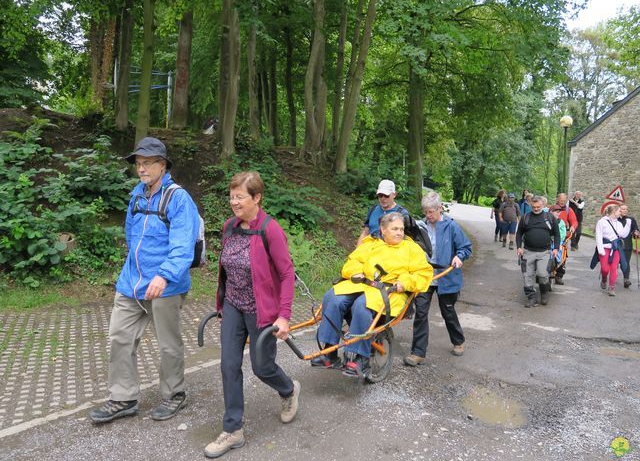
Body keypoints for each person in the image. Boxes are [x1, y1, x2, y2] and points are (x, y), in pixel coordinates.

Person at [89, 137, 200, 424]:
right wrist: (134, 271)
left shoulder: (178, 198)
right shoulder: (137, 195)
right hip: (132, 283)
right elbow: (130, 236)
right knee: (119, 337)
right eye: (138, 163)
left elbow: (182, 247)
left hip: (166, 285)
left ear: (162, 165)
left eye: (148, 163)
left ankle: (175, 394)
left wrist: (163, 275)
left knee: (168, 345)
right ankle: (123, 397)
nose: (142, 168)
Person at [204, 172, 300, 459]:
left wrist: (283, 315)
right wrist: (222, 304)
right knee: (228, 366)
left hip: (262, 311)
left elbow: (286, 273)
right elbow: (227, 269)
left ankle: (289, 390)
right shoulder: (229, 227)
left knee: (262, 367)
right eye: (232, 196)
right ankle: (233, 430)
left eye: (240, 197)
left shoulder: (270, 230)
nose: (234, 202)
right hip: (233, 306)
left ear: (257, 198)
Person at [313, 212, 432, 377]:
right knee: (332, 297)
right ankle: (328, 352)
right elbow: (353, 261)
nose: (399, 233)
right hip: (363, 284)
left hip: (390, 291)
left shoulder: (411, 248)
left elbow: (423, 273)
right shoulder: (371, 243)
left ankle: (361, 359)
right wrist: (356, 271)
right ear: (383, 230)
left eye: (401, 229)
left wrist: (404, 282)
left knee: (362, 306)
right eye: (395, 229)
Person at [404, 191, 472, 366]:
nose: (428, 216)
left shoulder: (452, 227)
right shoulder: (421, 226)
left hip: (446, 276)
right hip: (426, 276)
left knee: (447, 311)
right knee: (420, 312)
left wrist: (459, 257)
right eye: (425, 212)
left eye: (431, 212)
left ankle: (458, 341)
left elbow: (465, 247)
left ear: (439, 208)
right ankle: (418, 352)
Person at [516, 196, 560, 308]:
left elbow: (556, 233)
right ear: (531, 205)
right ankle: (531, 298)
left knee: (543, 274)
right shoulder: (526, 217)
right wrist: (518, 247)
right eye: (533, 207)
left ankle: (544, 293)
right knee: (527, 275)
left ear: (542, 205)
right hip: (528, 251)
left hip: (544, 252)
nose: (536, 209)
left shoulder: (549, 217)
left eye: (538, 207)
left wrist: (556, 248)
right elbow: (519, 233)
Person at [593, 204, 631, 296]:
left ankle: (611, 287)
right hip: (605, 248)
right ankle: (604, 279)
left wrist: (628, 224)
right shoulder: (602, 222)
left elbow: (623, 234)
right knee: (605, 269)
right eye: (619, 211)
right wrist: (600, 250)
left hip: (616, 248)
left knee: (614, 268)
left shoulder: (618, 223)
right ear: (614, 212)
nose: (621, 212)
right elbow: (598, 236)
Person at [357, 179, 409, 245]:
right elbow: (365, 233)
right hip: (370, 251)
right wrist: (357, 252)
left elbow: (406, 239)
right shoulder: (373, 209)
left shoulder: (402, 213)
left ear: (394, 194)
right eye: (380, 195)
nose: (383, 198)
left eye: (386, 195)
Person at [553, 193, 578, 285]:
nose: (562, 202)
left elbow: (574, 221)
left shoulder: (569, 210)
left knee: (563, 256)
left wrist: (573, 227)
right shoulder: (552, 208)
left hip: (563, 237)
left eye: (564, 200)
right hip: (551, 236)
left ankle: (559, 275)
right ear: (557, 199)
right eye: (561, 200)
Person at [618, 204, 640, 288]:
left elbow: (636, 230)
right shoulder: (615, 219)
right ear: (619, 210)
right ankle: (609, 277)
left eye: (626, 209)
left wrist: (636, 233)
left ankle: (626, 279)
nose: (625, 211)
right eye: (623, 209)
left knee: (626, 262)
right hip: (616, 245)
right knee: (615, 262)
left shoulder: (631, 220)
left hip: (627, 245)